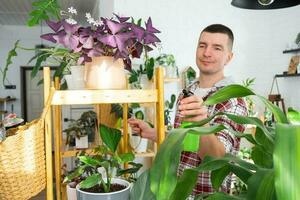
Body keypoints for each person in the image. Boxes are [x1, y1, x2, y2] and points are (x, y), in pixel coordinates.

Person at [128, 24, 248, 197]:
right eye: (202, 45)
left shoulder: (233, 99)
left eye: (217, 48)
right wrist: (153, 133)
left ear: (228, 57)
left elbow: (217, 159)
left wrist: (202, 124)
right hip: (175, 191)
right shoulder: (187, 91)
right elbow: (183, 141)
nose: (207, 53)